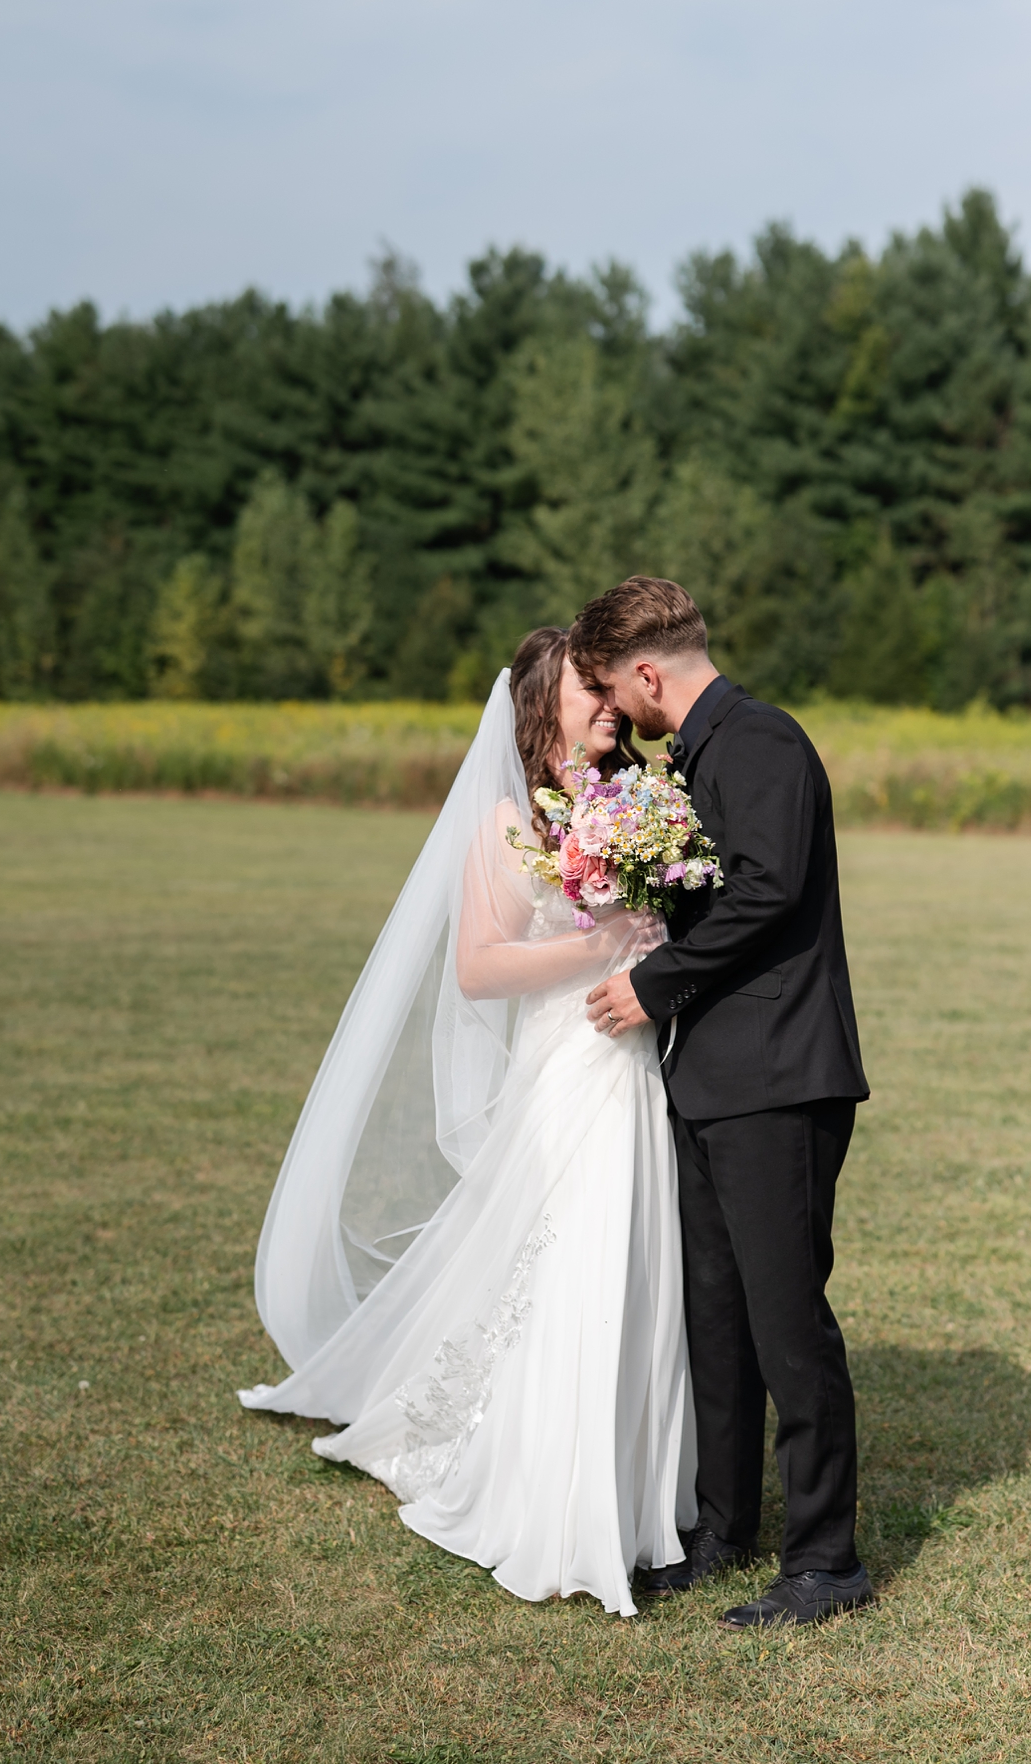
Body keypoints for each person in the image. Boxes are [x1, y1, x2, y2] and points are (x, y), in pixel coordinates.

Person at [238, 628, 694, 1618]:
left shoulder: (627, 803)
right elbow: (481, 966)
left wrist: (652, 935)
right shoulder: (506, 819)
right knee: (567, 1261)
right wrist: (603, 947)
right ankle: (554, 1498)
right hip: (565, 1061)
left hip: (632, 1063)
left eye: (614, 687)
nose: (609, 701)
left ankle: (635, 1490)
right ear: (544, 697)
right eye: (589, 685)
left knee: (635, 1259)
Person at [571, 577, 872, 1629]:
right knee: (719, 1320)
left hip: (782, 1075)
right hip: (711, 1074)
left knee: (789, 1322)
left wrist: (652, 984)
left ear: (648, 671)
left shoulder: (761, 742)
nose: (620, 706)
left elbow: (770, 886)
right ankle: (722, 1531)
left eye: (616, 687)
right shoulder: (689, 758)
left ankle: (826, 1559)